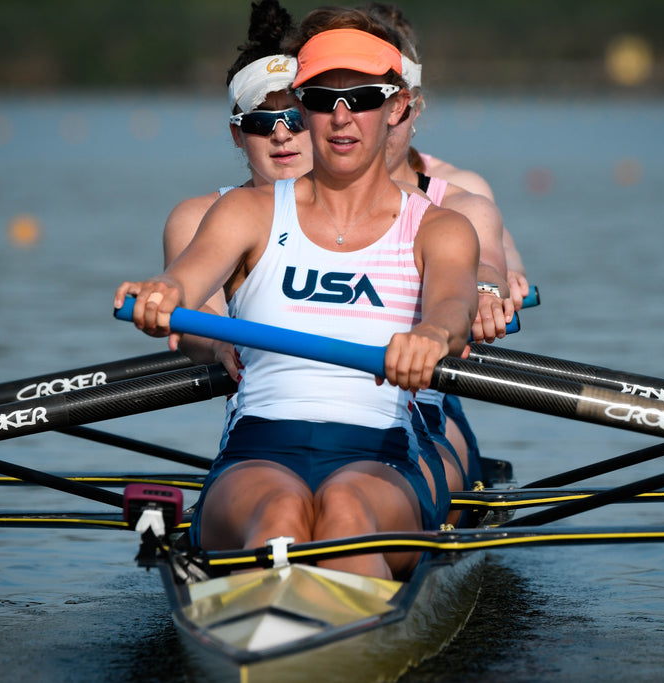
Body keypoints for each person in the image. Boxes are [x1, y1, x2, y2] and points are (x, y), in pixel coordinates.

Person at [115, 7, 480, 580]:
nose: (341, 117)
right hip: (259, 449)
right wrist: (162, 292)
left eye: (362, 97)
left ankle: (314, 641)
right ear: (302, 108)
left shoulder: (441, 227)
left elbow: (454, 306)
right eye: (319, 99)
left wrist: (433, 334)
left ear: (398, 107)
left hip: (384, 454)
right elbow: (188, 277)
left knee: (343, 513)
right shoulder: (246, 212)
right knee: (281, 513)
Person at [162, 0, 311, 370]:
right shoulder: (198, 216)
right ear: (237, 134)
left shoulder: (380, 203)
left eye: (295, 117)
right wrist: (219, 344)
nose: (280, 134)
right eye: (261, 121)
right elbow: (198, 312)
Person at [363, 2, 530, 308]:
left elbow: (496, 250)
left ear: (413, 106)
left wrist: (500, 278)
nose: (377, 121)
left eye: (392, 104)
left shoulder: (463, 190)